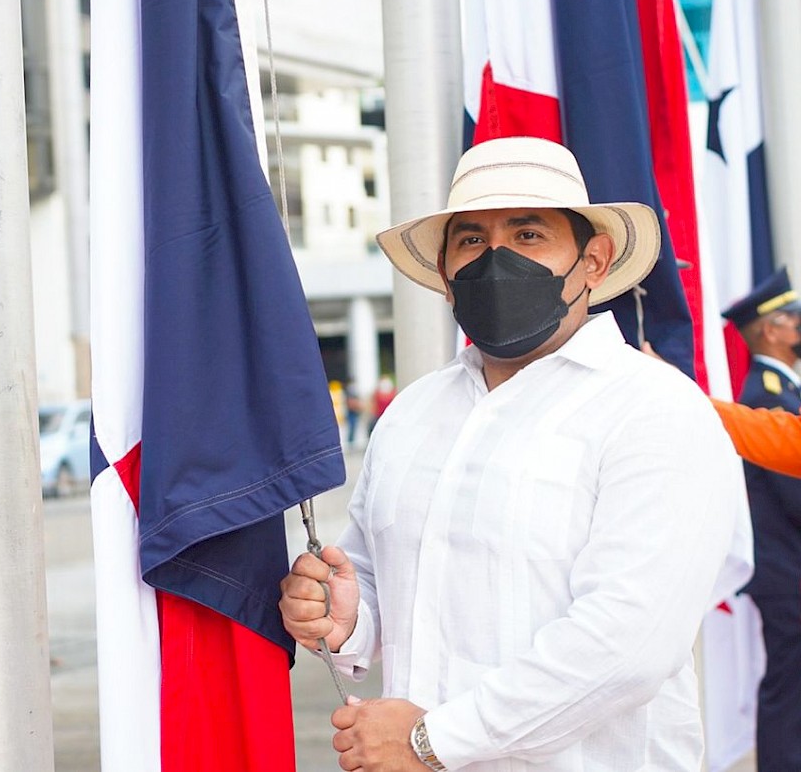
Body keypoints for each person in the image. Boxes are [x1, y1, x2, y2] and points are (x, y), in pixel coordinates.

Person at [279, 136, 746, 772]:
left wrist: (432, 741)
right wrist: (343, 618)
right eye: (471, 240)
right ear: (445, 275)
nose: (496, 261)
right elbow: (372, 590)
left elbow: (627, 643)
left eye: (529, 235)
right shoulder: (412, 415)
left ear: (594, 261)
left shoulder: (656, 411)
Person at [719, 268, 801, 771]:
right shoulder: (765, 393)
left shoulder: (778, 389)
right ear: (770, 329)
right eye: (794, 320)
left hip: (788, 568)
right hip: (787, 572)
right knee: (788, 688)